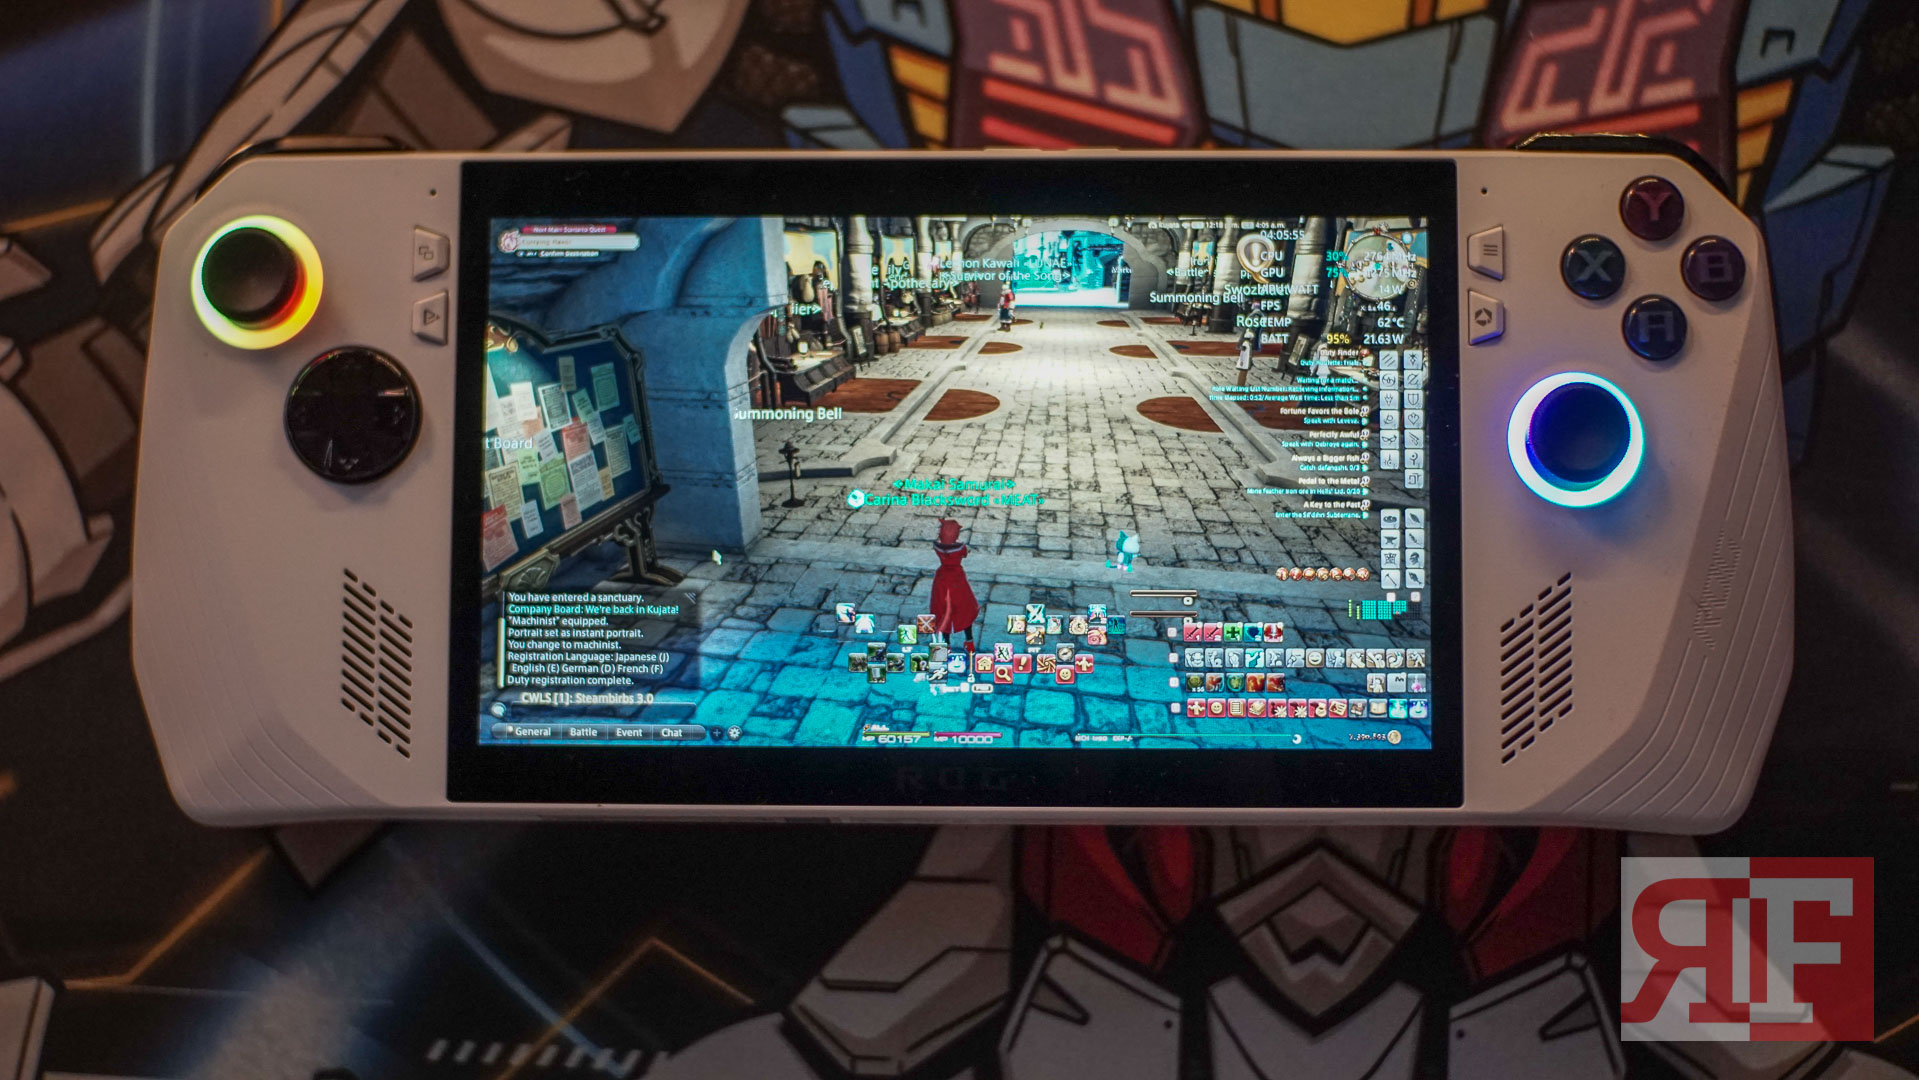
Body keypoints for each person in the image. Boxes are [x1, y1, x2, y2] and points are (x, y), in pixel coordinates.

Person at [930, 518, 980, 651]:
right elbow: (964, 554)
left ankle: (947, 645)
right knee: (964, 611)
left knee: (943, 612)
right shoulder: (959, 547)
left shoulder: (936, 546)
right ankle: (969, 642)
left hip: (942, 580)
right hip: (957, 580)